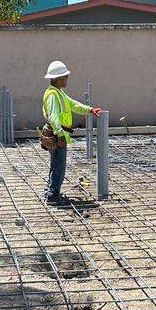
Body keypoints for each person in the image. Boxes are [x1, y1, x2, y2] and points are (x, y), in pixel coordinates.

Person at [41, 60, 101, 203]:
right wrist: (60, 134)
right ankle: (52, 195)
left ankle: (50, 191)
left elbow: (73, 104)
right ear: (58, 78)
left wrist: (89, 110)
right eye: (65, 76)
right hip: (57, 135)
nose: (67, 79)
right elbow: (53, 116)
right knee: (58, 167)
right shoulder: (52, 95)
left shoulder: (58, 93)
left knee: (56, 164)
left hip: (58, 134)